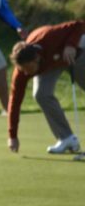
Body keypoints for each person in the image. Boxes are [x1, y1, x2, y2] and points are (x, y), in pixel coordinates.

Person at [8, 20, 85, 153]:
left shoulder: (48, 36)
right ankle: (66, 138)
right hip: (50, 65)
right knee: (41, 94)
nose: (26, 73)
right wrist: (12, 136)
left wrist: (70, 45)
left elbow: (79, 24)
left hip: (75, 52)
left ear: (36, 58)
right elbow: (15, 101)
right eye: (23, 69)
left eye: (28, 68)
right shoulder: (21, 71)